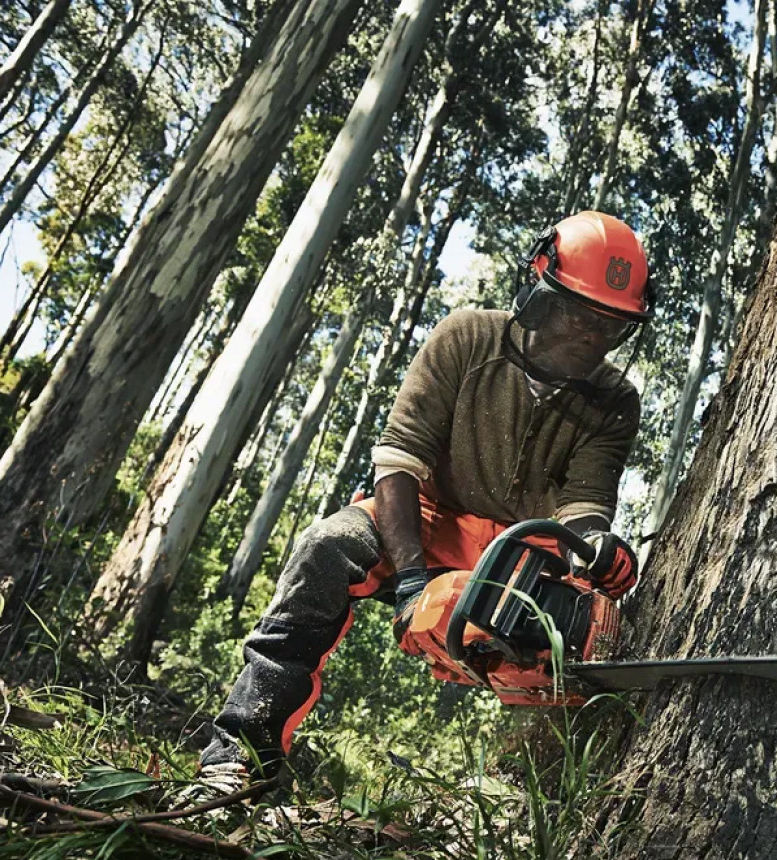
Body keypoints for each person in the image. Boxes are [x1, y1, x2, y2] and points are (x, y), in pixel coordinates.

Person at [196, 210, 653, 782]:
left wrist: (596, 547)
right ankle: (240, 753)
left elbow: (584, 504)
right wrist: (412, 583)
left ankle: (525, 788)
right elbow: (399, 459)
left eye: (610, 325)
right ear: (539, 294)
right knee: (327, 547)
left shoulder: (615, 399)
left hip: (522, 549)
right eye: (579, 315)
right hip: (426, 516)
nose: (592, 336)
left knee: (582, 633)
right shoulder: (467, 338)